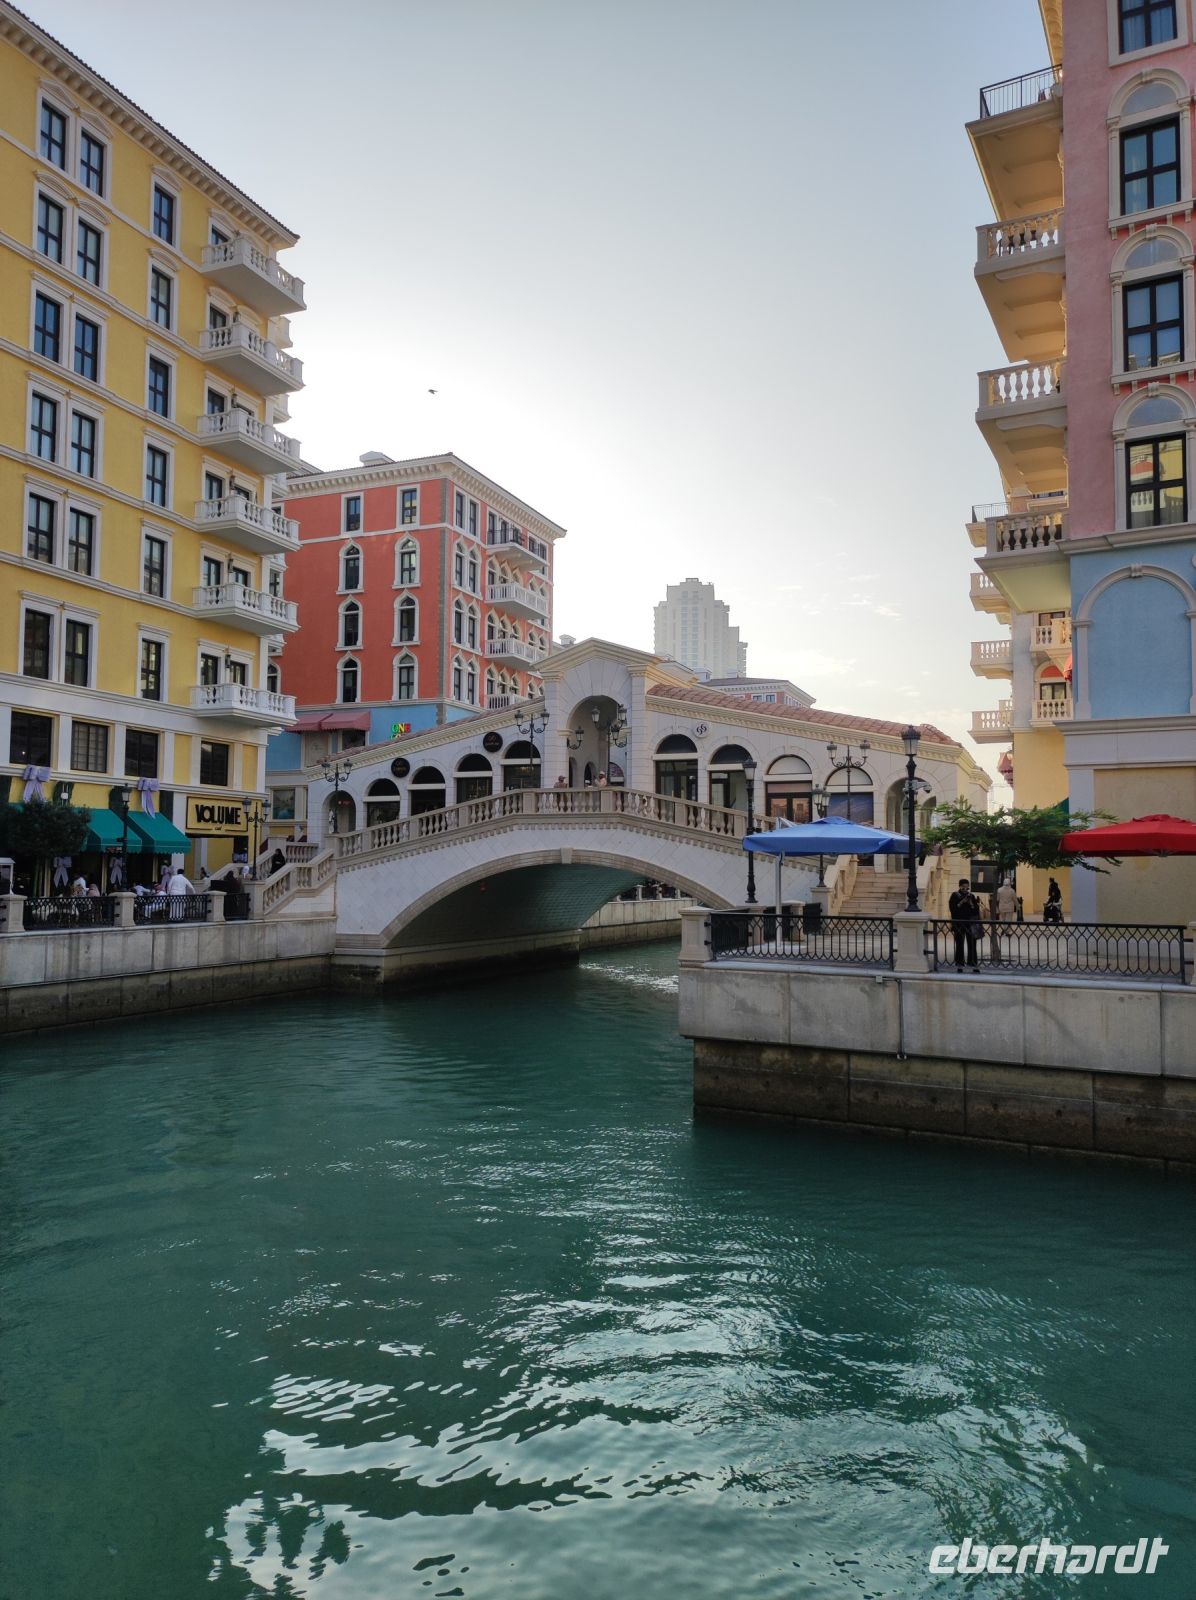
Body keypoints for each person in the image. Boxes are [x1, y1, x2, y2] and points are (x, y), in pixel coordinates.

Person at [947, 877, 982, 973]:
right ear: (960, 886)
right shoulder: (954, 895)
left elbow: (975, 910)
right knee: (959, 943)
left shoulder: (971, 896)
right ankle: (959, 963)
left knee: (972, 943)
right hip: (959, 923)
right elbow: (953, 909)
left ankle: (973, 963)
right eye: (963, 887)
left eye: (967, 888)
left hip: (970, 923)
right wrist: (962, 902)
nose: (966, 889)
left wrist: (971, 903)